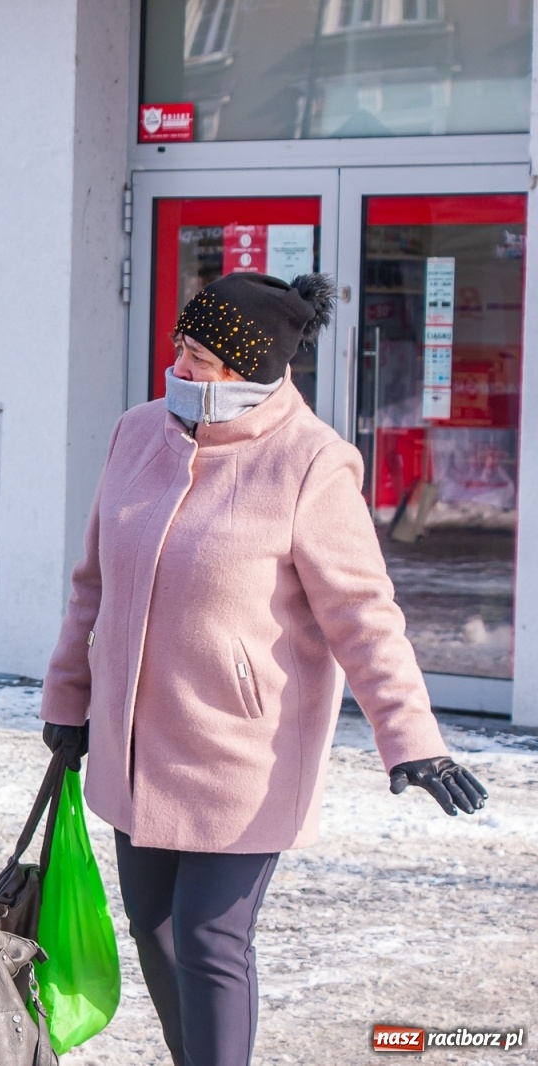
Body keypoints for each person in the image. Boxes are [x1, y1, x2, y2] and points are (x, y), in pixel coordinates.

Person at [40, 271, 488, 1066]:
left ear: (248, 366)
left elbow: (366, 617)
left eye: (200, 353)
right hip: (137, 746)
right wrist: (68, 700)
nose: (178, 361)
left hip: (242, 755)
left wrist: (412, 738)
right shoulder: (138, 433)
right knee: (155, 928)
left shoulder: (313, 464)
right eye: (179, 342)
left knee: (212, 939)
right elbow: (92, 585)